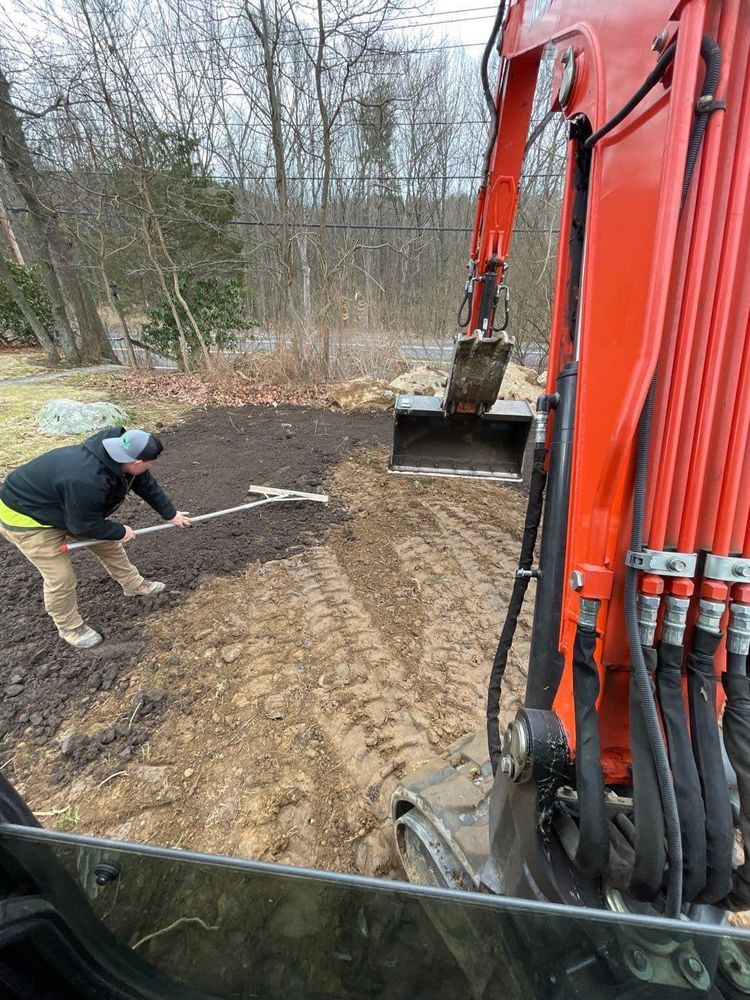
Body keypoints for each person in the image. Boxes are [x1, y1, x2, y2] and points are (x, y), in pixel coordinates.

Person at [0, 426, 190, 649]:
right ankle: (69, 626)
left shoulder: (121, 458)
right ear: (137, 462)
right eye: (150, 463)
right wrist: (120, 531)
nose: (151, 467)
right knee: (61, 577)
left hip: (64, 504)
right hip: (25, 515)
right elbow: (82, 524)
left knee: (108, 544)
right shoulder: (88, 479)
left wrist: (170, 514)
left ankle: (133, 584)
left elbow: (145, 484)